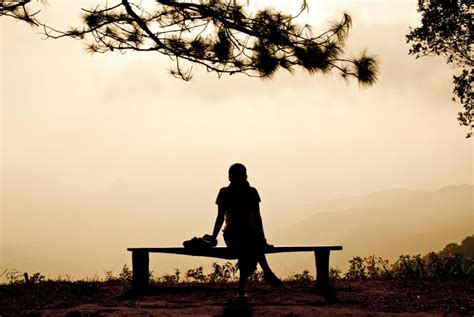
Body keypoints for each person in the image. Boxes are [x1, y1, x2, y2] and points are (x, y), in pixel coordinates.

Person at [211, 163, 282, 298]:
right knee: (252, 244)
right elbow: (257, 218)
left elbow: (220, 217)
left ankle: (244, 288)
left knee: (249, 246)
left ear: (229, 177)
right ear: (245, 176)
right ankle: (266, 273)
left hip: (235, 234)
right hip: (243, 235)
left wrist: (213, 236)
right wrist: (262, 239)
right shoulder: (251, 192)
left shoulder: (226, 192)